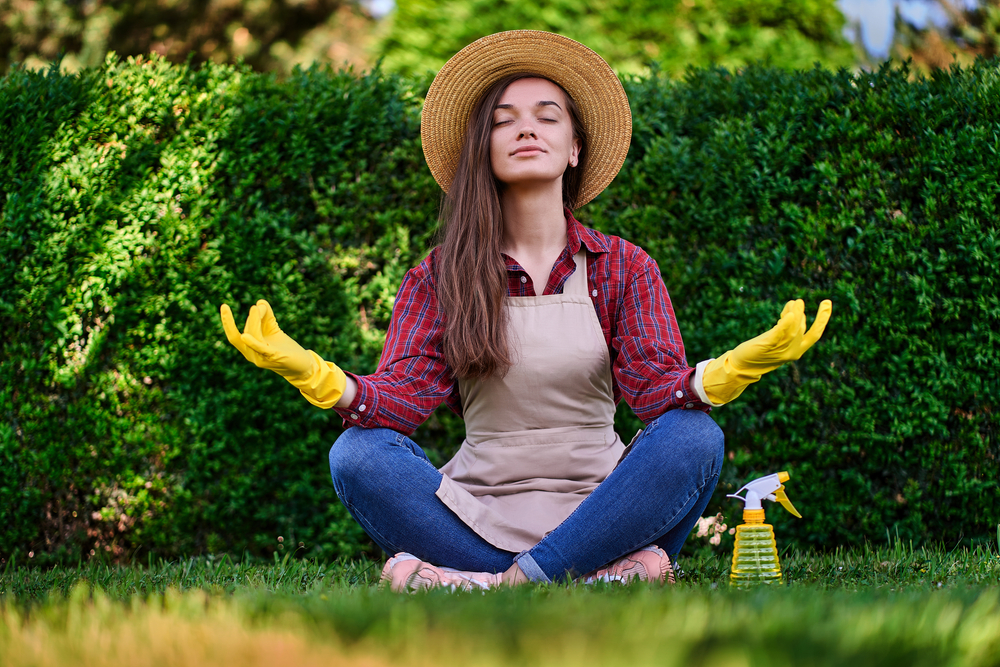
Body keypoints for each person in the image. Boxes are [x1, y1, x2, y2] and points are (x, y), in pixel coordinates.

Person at [220, 30, 832, 592]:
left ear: (573, 150)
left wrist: (726, 372)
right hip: (475, 513)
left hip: (606, 510)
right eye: (503, 121)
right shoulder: (440, 277)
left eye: (548, 116)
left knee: (695, 436)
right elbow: (400, 401)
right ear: (483, 149)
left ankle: (488, 586)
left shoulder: (623, 268)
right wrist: (317, 377)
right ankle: (588, 580)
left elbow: (655, 396)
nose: (526, 129)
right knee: (356, 455)